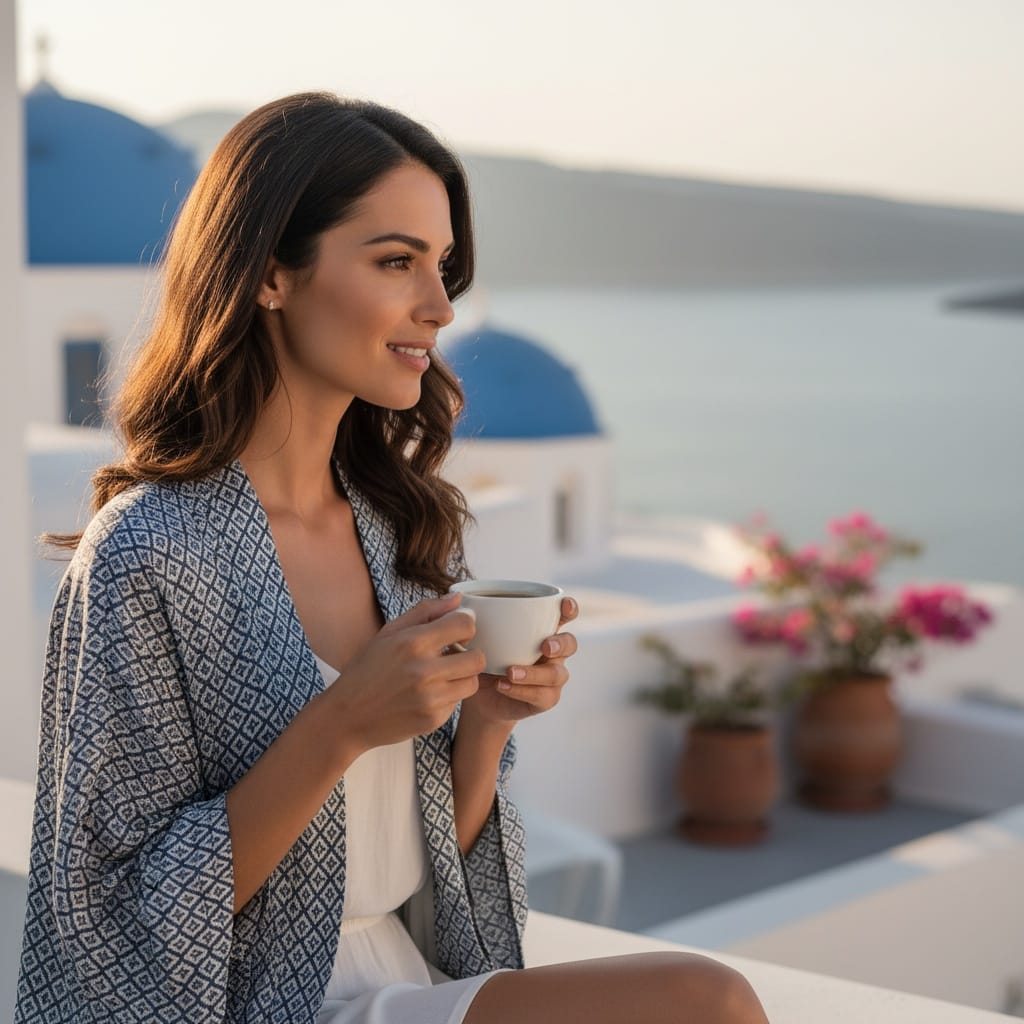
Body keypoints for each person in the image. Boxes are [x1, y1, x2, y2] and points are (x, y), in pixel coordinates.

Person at [14, 93, 769, 1024]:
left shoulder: (393, 531)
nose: (440, 306)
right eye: (396, 262)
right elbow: (109, 919)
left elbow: (408, 870)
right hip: (261, 1003)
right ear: (270, 276)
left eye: (442, 265)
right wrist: (341, 723)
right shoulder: (150, 550)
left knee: (707, 1002)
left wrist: (485, 725)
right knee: (707, 1003)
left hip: (401, 975)